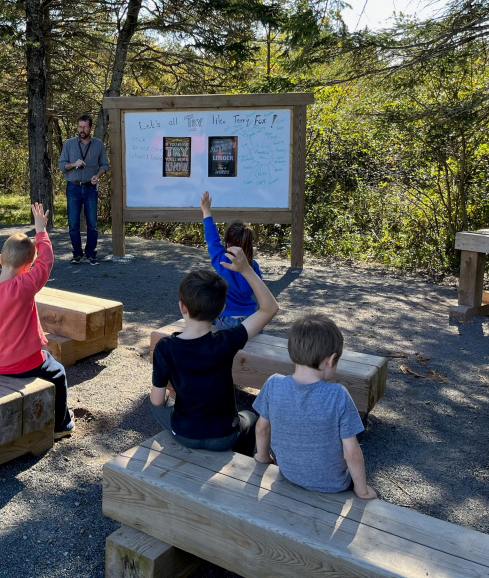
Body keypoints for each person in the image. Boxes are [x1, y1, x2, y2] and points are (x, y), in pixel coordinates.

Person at [150, 247, 279, 455]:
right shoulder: (227, 341)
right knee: (252, 417)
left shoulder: (165, 347)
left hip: (185, 434)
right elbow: (270, 308)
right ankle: (249, 455)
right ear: (221, 309)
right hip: (224, 436)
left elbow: (157, 400)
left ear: (182, 307)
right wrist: (245, 269)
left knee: (156, 403)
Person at [0, 202, 74, 439]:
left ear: (1, 259)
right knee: (58, 372)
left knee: (48, 360)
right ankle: (61, 425)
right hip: (26, 363)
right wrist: (41, 231)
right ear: (27, 267)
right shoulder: (24, 286)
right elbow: (46, 262)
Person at [252, 313, 377, 499]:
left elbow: (262, 428)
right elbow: (351, 453)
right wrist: (362, 490)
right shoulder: (338, 395)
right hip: (333, 484)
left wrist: (262, 457)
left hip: (289, 474)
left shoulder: (273, 384)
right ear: (330, 359)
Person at [200, 191, 262, 330]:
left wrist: (206, 211)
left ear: (227, 243)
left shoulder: (221, 260)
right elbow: (260, 292)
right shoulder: (253, 266)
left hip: (225, 319)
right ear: (248, 244)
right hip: (250, 319)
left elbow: (212, 238)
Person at [57, 113, 109, 265]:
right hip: (73, 188)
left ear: (91, 128)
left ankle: (91, 254)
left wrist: (98, 176)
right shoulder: (69, 144)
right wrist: (73, 164)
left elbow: (104, 165)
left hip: (90, 188)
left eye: (85, 127)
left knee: (92, 224)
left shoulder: (98, 144)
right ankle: (77, 254)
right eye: (80, 126)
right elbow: (62, 165)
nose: (82, 129)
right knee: (73, 224)